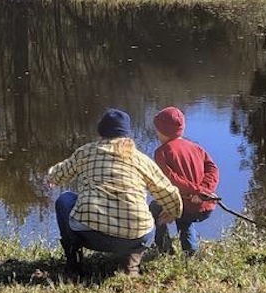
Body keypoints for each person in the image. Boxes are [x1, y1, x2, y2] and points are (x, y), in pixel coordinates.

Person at [47, 108, 182, 276]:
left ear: (101, 132)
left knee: (65, 199)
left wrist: (51, 177)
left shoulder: (85, 152)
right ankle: (130, 264)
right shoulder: (141, 159)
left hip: (89, 235)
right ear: (127, 135)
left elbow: (57, 175)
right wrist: (173, 212)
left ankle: (74, 262)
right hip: (135, 238)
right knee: (143, 218)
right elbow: (169, 192)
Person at [149, 106, 219, 256]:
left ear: (162, 131)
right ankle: (190, 253)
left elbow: (171, 180)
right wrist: (204, 190)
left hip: (188, 205)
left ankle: (163, 248)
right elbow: (213, 170)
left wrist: (199, 192)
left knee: (155, 207)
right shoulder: (196, 147)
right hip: (207, 205)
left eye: (157, 129)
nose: (156, 133)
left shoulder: (161, 152)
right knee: (184, 221)